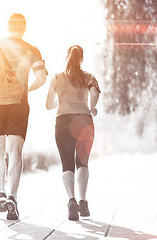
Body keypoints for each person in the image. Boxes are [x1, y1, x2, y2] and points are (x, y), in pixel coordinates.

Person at [0, 13, 47, 220]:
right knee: (16, 151)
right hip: (19, 105)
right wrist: (27, 90)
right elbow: (41, 78)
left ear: (7, 27)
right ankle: (13, 197)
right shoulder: (32, 50)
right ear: (24, 28)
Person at [46, 45, 101, 221]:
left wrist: (62, 102)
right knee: (82, 163)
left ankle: (72, 202)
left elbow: (48, 104)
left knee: (67, 164)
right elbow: (95, 93)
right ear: (81, 59)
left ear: (66, 57)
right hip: (84, 120)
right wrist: (91, 108)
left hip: (62, 121)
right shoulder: (88, 76)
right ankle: (83, 203)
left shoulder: (57, 77)